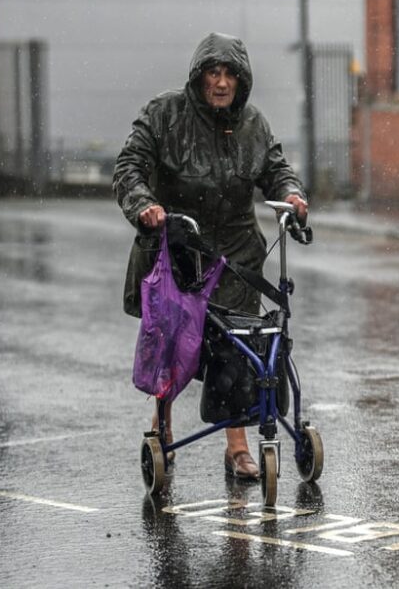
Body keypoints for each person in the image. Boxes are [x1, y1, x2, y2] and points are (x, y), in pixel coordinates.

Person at [113, 32, 308, 480]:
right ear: (199, 77)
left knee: (238, 351)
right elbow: (129, 167)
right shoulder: (164, 115)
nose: (221, 83)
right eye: (213, 74)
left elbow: (276, 170)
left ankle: (237, 447)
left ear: (242, 82)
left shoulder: (252, 125)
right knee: (173, 341)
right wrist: (144, 204)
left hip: (237, 250)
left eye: (230, 76)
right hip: (181, 246)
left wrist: (292, 194)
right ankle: (161, 425)